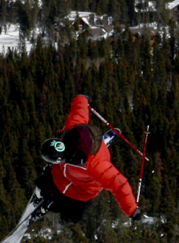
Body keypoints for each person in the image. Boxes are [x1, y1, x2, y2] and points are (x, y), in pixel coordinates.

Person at [36, 94, 142, 224]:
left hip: (82, 190)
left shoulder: (96, 166)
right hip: (63, 176)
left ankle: (59, 212)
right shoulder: (71, 130)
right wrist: (82, 98)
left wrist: (131, 210)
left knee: (69, 213)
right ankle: (46, 196)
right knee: (48, 182)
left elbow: (119, 184)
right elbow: (79, 111)